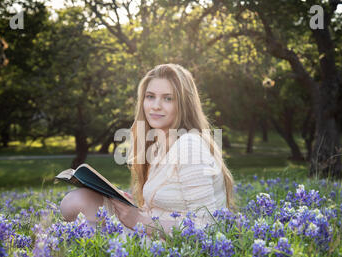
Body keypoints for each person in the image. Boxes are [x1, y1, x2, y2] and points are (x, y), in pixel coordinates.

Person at [59, 63, 236, 239]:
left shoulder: (190, 145)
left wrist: (139, 220)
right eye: (150, 96)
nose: (156, 106)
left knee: (80, 214)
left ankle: (98, 256)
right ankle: (92, 250)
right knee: (75, 201)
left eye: (168, 98)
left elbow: (207, 226)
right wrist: (130, 205)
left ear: (183, 104)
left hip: (175, 249)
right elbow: (166, 207)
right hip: (151, 229)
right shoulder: (160, 146)